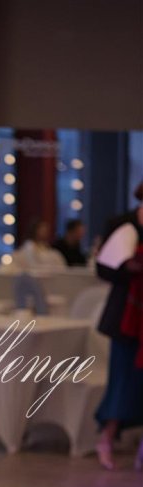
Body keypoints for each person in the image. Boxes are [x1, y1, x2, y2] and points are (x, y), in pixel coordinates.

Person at [93, 186, 143, 470]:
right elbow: (103, 269)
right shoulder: (121, 224)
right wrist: (129, 268)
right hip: (127, 312)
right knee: (122, 378)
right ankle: (107, 439)